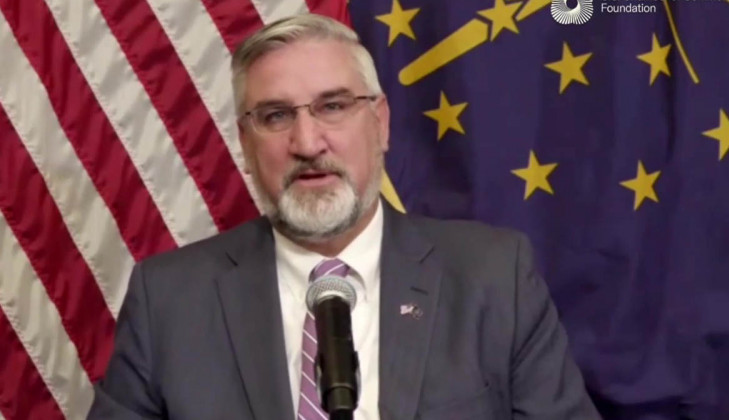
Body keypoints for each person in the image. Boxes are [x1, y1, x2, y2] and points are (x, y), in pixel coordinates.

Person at [87, 13, 601, 420]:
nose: (308, 143)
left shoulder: (494, 277)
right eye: (276, 116)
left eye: (332, 106)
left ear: (379, 124)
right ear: (245, 144)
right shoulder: (169, 300)